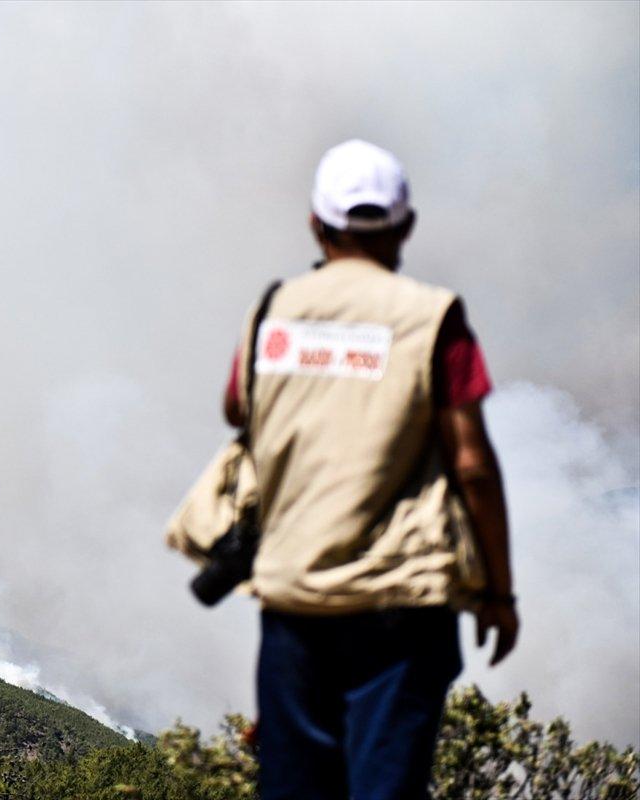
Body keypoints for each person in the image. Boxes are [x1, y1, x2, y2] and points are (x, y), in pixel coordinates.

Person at [222, 140, 519, 799]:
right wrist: (497, 595)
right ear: (405, 225)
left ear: (315, 224)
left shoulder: (273, 312)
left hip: (297, 599)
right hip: (399, 604)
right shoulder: (433, 320)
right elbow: (472, 464)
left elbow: (236, 405)